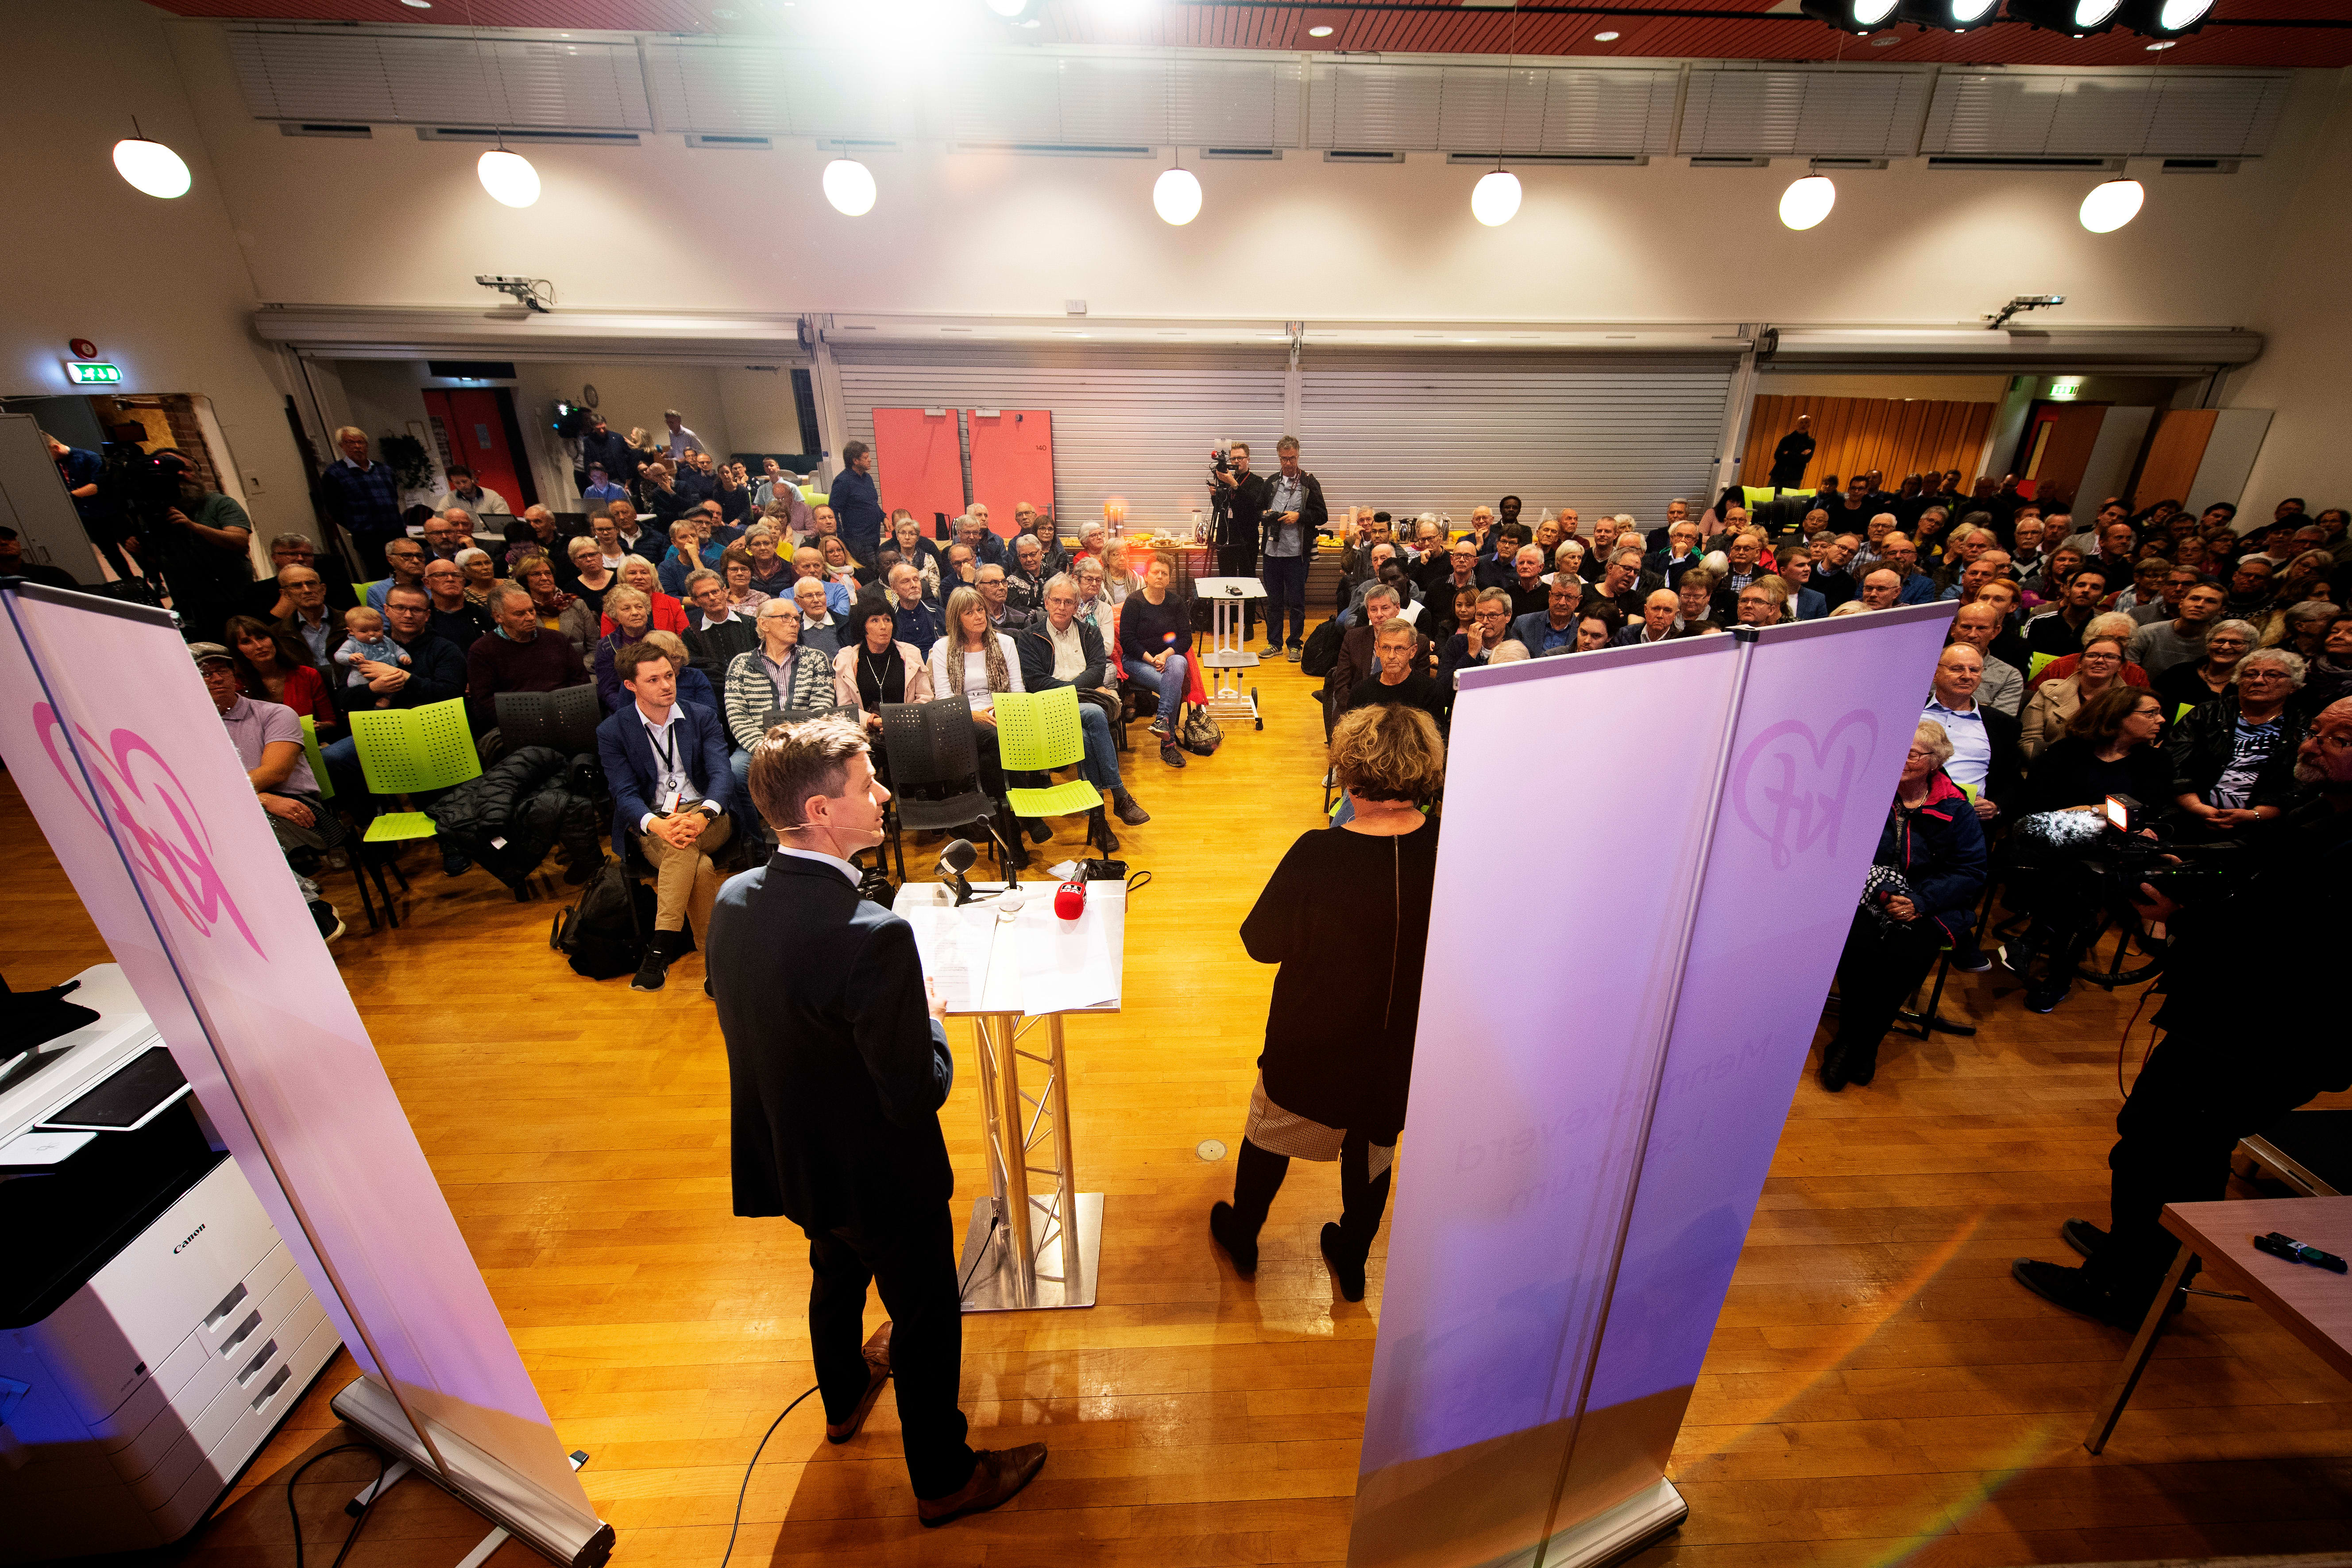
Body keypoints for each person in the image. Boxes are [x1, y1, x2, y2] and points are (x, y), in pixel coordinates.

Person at [708, 717, 1047, 1523]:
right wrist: (928, 1016)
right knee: (925, 1315)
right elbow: (916, 1091)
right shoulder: (875, 935)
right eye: (868, 785)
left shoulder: (732, 899)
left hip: (795, 1156)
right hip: (882, 1176)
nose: (885, 794)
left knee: (834, 1271)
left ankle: (843, 1399)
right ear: (820, 811)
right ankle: (945, 1478)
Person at [2013, 698, 2352, 1329]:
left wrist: (2184, 917)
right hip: (2223, 1017)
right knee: (2163, 1145)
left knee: (2164, 1151)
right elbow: (2261, 883)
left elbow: (2301, 947)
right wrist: (2185, 870)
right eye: (2315, 731)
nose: (2310, 745)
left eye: (2339, 740)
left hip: (2263, 1037)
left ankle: (2129, 1288)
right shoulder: (2316, 810)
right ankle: (2142, 1254)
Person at [1208, 703, 1442, 1302]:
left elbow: (1261, 943)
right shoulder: (1449, 847)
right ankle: (1353, 1256)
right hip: (1401, 1049)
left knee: (1270, 1134)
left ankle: (1243, 1235)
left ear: (1350, 771)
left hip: (1313, 1043)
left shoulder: (1318, 852)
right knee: (1374, 1150)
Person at [1818, 720, 1987, 1092]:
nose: (1901, 760)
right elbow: (1841, 847)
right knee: (1857, 949)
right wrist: (1881, 892)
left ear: (1934, 761)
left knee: (1904, 957)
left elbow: (1971, 870)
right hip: (1867, 893)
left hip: (1929, 902)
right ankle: (1848, 1041)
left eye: (1912, 754)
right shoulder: (1868, 793)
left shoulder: (1955, 808)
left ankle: (1866, 1044)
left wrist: (1918, 902)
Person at [595, 640, 736, 991]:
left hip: (708, 815)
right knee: (696, 864)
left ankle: (659, 948)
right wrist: (657, 825)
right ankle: (716, 966)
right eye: (653, 680)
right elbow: (624, 793)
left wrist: (703, 815)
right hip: (655, 820)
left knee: (682, 843)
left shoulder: (701, 716)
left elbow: (722, 775)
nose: (666, 685)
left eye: (669, 676)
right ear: (631, 685)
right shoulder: (612, 731)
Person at [193, 642, 343, 940]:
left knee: (238, 833)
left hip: (297, 808)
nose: (217, 678)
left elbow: (275, 771)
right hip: (245, 807)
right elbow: (194, 786)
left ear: (234, 674)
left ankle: (294, 913)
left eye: (222, 670)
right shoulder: (187, 728)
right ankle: (307, 902)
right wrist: (259, 799)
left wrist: (236, 798)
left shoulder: (275, 714)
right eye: (206, 673)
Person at [1012, 575, 1153, 837]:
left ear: (1077, 605)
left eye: (1068, 602)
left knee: (1086, 736)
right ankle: (1119, 794)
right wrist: (1074, 691)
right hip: (1050, 706)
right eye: (1056, 600)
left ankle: (1098, 819)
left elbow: (1098, 671)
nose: (1062, 607)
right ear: (1046, 602)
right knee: (1095, 714)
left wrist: (1072, 690)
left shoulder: (1090, 632)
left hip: (1086, 699)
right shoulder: (1030, 636)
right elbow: (1035, 681)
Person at [2167, 648, 2309, 836]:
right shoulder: (2207, 713)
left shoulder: (2303, 725)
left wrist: (2257, 815)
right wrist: (2198, 808)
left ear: (2294, 686)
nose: (2258, 681)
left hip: (2264, 826)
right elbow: (2173, 761)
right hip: (2187, 814)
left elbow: (2301, 781)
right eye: (2250, 674)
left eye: (2272, 675)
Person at [724, 598, 838, 800]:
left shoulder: (815, 658)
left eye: (796, 618)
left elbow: (822, 707)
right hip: (759, 744)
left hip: (806, 744)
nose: (795, 624)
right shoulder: (741, 664)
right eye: (786, 618)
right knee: (735, 773)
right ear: (764, 624)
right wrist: (766, 749)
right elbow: (737, 716)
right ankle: (756, 823)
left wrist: (798, 747)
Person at [930, 584, 1028, 804]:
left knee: (987, 758)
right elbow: (944, 698)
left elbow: (1018, 689)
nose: (978, 617)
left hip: (1001, 713)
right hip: (961, 718)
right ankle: (1024, 807)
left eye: (981, 610)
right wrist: (973, 715)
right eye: (969, 613)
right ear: (957, 619)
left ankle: (992, 807)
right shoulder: (943, 648)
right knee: (997, 738)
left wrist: (1005, 712)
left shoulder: (1006, 643)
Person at [143, 452, 253, 643]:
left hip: (233, 596)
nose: (180, 474)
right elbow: (158, 559)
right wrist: (140, 549)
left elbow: (239, 541)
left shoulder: (219, 503)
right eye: (171, 471)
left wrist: (193, 526)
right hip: (187, 603)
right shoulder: (152, 511)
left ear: (198, 473)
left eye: (187, 469)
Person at [466, 580, 591, 729]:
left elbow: (580, 681)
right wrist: (531, 720)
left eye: (531, 611)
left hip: (567, 716)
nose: (530, 618)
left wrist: (567, 712)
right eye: (520, 614)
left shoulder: (556, 639)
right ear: (498, 617)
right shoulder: (482, 651)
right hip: (518, 725)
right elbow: (485, 702)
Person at [1117, 553, 1193, 768]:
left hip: (1167, 659)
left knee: (1179, 663)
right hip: (1137, 661)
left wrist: (1166, 655)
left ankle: (1162, 721)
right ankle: (1168, 746)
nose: (1160, 576)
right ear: (1146, 576)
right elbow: (1127, 640)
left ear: (1170, 578)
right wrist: (1151, 659)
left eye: (1165, 573)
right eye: (1156, 572)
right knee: (1173, 685)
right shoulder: (1134, 602)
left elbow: (1186, 638)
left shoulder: (1176, 602)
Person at [1257, 436, 1328, 660]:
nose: (1288, 463)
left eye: (1292, 458)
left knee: (1296, 602)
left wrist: (1299, 516)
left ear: (1298, 456)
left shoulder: (1309, 482)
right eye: (1284, 459)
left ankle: (1295, 644)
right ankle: (1274, 643)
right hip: (1272, 552)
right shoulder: (1271, 483)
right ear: (1279, 458)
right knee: (1274, 601)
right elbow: (1258, 510)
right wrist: (1266, 515)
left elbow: (1322, 516)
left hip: (1297, 554)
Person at [834, 595, 935, 743]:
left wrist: (900, 721)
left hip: (908, 733)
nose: (883, 626)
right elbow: (845, 708)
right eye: (875, 621)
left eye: (887, 620)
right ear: (862, 627)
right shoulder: (846, 659)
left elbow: (925, 698)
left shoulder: (911, 654)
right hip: (864, 736)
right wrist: (872, 721)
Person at [2019, 634, 2130, 760]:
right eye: (2092, 655)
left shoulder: (2132, 702)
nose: (2100, 660)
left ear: (2121, 666)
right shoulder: (2048, 690)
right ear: (2080, 663)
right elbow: (2029, 740)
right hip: (2051, 762)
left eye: (2110, 657)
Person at [224, 614, 336, 738]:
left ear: (273, 640)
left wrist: (319, 726)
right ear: (237, 650)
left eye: (261, 638)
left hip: (311, 743)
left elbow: (330, 722)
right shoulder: (236, 686)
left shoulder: (307, 674)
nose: (259, 646)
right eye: (246, 642)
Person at [317, 427, 405, 577]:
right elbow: (333, 508)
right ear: (342, 446)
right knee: (379, 575)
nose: (357, 446)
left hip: (396, 530)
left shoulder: (384, 470)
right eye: (351, 442)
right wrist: (357, 525)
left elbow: (393, 497)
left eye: (361, 442)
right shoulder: (334, 473)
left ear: (366, 445)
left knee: (406, 569)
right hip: (368, 536)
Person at [2153, 617, 2256, 716]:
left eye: (2236, 643)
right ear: (2208, 644)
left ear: (2250, 649)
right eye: (2219, 641)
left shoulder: (2252, 683)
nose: (2225, 647)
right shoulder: (2177, 674)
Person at [2125, 579, 2225, 679]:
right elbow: (2128, 675)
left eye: (2210, 601)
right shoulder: (2146, 634)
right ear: (2181, 603)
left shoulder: (2220, 643)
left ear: (2221, 610)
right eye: (2194, 599)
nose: (2200, 605)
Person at [1948, 602, 2024, 717]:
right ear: (1953, 629)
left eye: (1981, 628)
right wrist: (1980, 708)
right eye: (1966, 627)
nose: (1972, 635)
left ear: (1995, 632)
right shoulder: (1927, 662)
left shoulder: (2010, 676)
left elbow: (2000, 721)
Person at [683, 569, 758, 681]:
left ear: (725, 592)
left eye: (715, 592)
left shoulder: (752, 624)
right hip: (715, 689)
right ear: (695, 602)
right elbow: (699, 673)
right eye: (705, 595)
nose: (712, 598)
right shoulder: (691, 634)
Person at [829, 440, 885, 567]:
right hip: (858, 540)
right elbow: (833, 511)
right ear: (855, 461)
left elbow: (871, 503)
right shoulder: (843, 481)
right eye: (866, 458)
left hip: (874, 536)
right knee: (873, 571)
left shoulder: (867, 478)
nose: (870, 460)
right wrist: (841, 539)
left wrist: (883, 517)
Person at [421, 558, 494, 650]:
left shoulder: (483, 615)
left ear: (464, 581)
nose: (451, 579)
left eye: (456, 575)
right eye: (442, 575)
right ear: (427, 582)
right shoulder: (421, 617)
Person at [1511, 573, 1587, 658]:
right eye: (1558, 596)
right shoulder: (1523, 624)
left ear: (1578, 601)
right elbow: (1512, 658)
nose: (1562, 603)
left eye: (1569, 597)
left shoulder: (1586, 631)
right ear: (1550, 597)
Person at [432, 464, 509, 523]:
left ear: (472, 479)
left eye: (465, 481)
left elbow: (505, 519)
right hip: (463, 534)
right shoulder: (450, 498)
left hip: (490, 535)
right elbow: (438, 519)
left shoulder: (491, 495)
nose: (462, 486)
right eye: (457, 483)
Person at [1769, 414, 1815, 490]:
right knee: (1771, 496)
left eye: (1806, 423)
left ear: (1809, 425)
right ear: (1797, 424)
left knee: (1789, 498)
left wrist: (1788, 453)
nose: (1804, 425)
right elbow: (1777, 456)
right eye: (1802, 422)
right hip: (1778, 475)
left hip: (1794, 478)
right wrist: (1799, 455)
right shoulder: (1787, 439)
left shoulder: (1811, 442)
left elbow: (1806, 459)